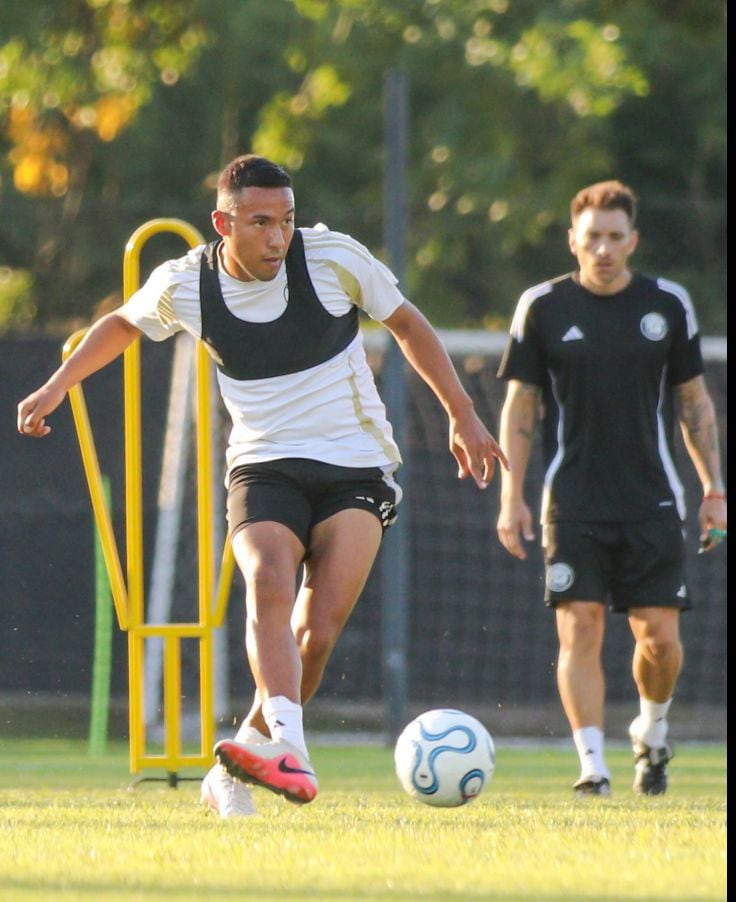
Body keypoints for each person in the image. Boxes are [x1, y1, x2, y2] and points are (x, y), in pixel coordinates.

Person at [17, 153, 508, 817]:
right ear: (224, 223)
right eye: (260, 223)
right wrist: (55, 387)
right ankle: (292, 751)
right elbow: (121, 326)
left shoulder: (333, 258)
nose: (278, 237)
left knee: (320, 628)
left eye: (286, 220)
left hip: (357, 463)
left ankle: (238, 762)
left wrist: (463, 412)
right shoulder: (188, 282)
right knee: (270, 580)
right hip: (264, 463)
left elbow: (408, 323)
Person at [495, 180, 727, 797]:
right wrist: (510, 495)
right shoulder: (541, 306)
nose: (602, 248)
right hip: (570, 500)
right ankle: (592, 766)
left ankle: (651, 732)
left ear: (633, 241)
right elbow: (521, 407)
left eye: (614, 237)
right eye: (591, 237)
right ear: (573, 240)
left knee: (659, 640)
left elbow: (693, 404)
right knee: (581, 626)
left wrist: (714, 489)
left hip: (652, 500)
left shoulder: (668, 304)